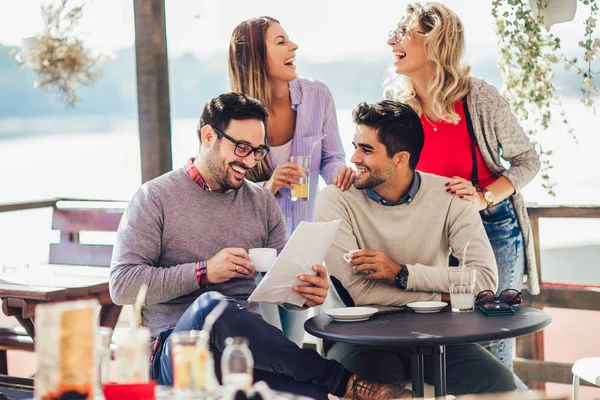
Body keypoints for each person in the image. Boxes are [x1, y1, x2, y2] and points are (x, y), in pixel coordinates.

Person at [109, 92, 412, 400]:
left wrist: (305, 293)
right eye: (241, 148)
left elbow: (281, 286)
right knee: (212, 306)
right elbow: (121, 286)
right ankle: (345, 382)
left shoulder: (261, 202)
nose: (249, 161)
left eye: (257, 151)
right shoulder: (154, 198)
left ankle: (330, 383)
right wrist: (203, 272)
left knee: (310, 394)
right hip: (175, 353)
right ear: (208, 135)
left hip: (244, 355)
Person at [315, 100, 517, 395]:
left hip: (434, 335)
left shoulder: (450, 196)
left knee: (498, 380)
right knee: (380, 384)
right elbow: (360, 292)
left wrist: (402, 274)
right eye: (355, 145)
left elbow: (484, 280)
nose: (354, 158)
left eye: (367, 149)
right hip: (359, 338)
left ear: (400, 159)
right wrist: (445, 295)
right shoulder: (335, 199)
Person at [384, 1, 541, 375]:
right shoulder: (398, 107)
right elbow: (388, 172)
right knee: (439, 330)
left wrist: (484, 196)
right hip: (432, 234)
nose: (392, 41)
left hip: (492, 229)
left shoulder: (479, 97)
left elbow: (528, 161)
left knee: (491, 332)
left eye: (403, 32)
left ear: (435, 42)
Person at [228, 16, 355, 346]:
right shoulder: (233, 112)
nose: (293, 46)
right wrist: (268, 186)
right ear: (255, 55)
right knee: (270, 346)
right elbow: (223, 185)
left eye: (290, 39)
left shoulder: (317, 95)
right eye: (281, 41)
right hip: (255, 252)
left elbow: (332, 157)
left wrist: (339, 174)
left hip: (300, 247)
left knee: (294, 345)